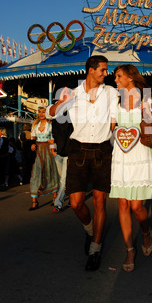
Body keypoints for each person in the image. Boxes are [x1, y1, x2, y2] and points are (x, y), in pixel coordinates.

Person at [46, 55, 119, 271]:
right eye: (103, 70)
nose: (106, 74)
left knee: (99, 202)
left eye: (107, 70)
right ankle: (89, 230)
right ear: (90, 70)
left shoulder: (112, 93)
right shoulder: (74, 94)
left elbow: (114, 123)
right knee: (76, 203)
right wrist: (62, 101)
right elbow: (51, 114)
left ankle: (96, 248)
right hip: (78, 149)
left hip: (102, 149)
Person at [109, 64, 152, 272]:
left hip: (140, 155)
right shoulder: (116, 103)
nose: (115, 80)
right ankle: (130, 249)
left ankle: (146, 231)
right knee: (122, 205)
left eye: (118, 76)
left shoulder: (149, 100)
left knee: (136, 207)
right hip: (120, 157)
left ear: (131, 78)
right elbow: (109, 129)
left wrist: (148, 113)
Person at [29, 107, 60, 211]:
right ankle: (34, 201)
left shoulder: (50, 125)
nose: (41, 114)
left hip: (48, 150)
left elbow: (54, 138)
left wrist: (53, 145)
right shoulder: (35, 125)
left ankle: (55, 196)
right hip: (38, 151)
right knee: (36, 174)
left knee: (51, 172)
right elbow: (33, 138)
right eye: (40, 112)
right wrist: (33, 145)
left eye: (43, 112)